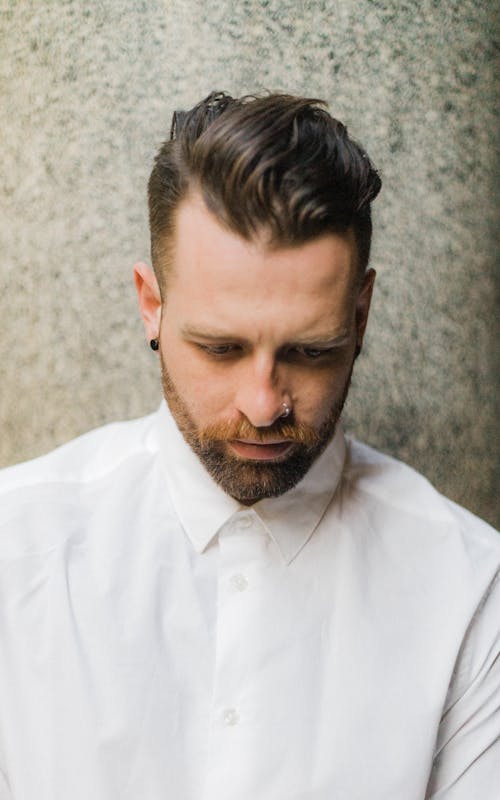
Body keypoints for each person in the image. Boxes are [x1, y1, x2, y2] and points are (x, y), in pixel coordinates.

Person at [0, 92, 498, 800]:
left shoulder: (472, 595)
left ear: (360, 317)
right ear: (152, 305)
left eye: (311, 351)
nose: (264, 404)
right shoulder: (13, 553)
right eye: (221, 348)